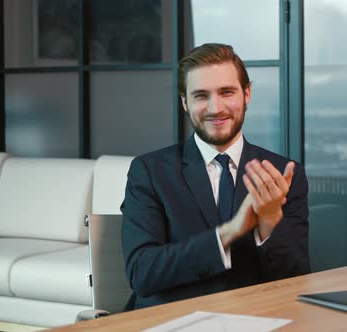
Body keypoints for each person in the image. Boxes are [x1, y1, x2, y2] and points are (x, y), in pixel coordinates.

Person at [121, 43, 310, 310]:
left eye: (226, 92)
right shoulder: (149, 171)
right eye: (200, 96)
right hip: (172, 319)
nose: (215, 108)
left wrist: (269, 223)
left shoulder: (282, 174)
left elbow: (297, 280)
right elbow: (142, 273)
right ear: (185, 102)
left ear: (247, 94)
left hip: (255, 318)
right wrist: (230, 232)